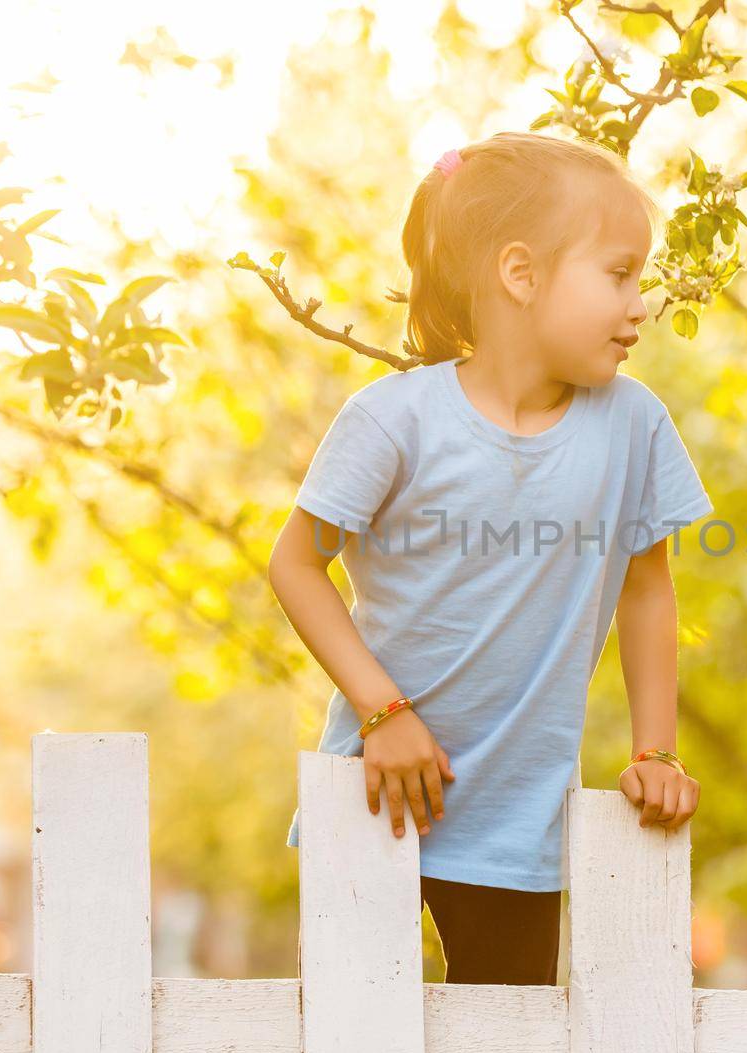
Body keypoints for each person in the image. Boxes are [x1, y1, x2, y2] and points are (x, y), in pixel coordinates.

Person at [268, 131, 709, 986]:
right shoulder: (393, 420)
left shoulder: (635, 423)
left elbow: (647, 591)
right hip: (374, 798)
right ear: (521, 274)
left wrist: (657, 750)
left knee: (507, 1036)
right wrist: (382, 713)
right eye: (619, 274)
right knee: (358, 1035)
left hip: (519, 828)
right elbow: (295, 566)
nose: (640, 304)